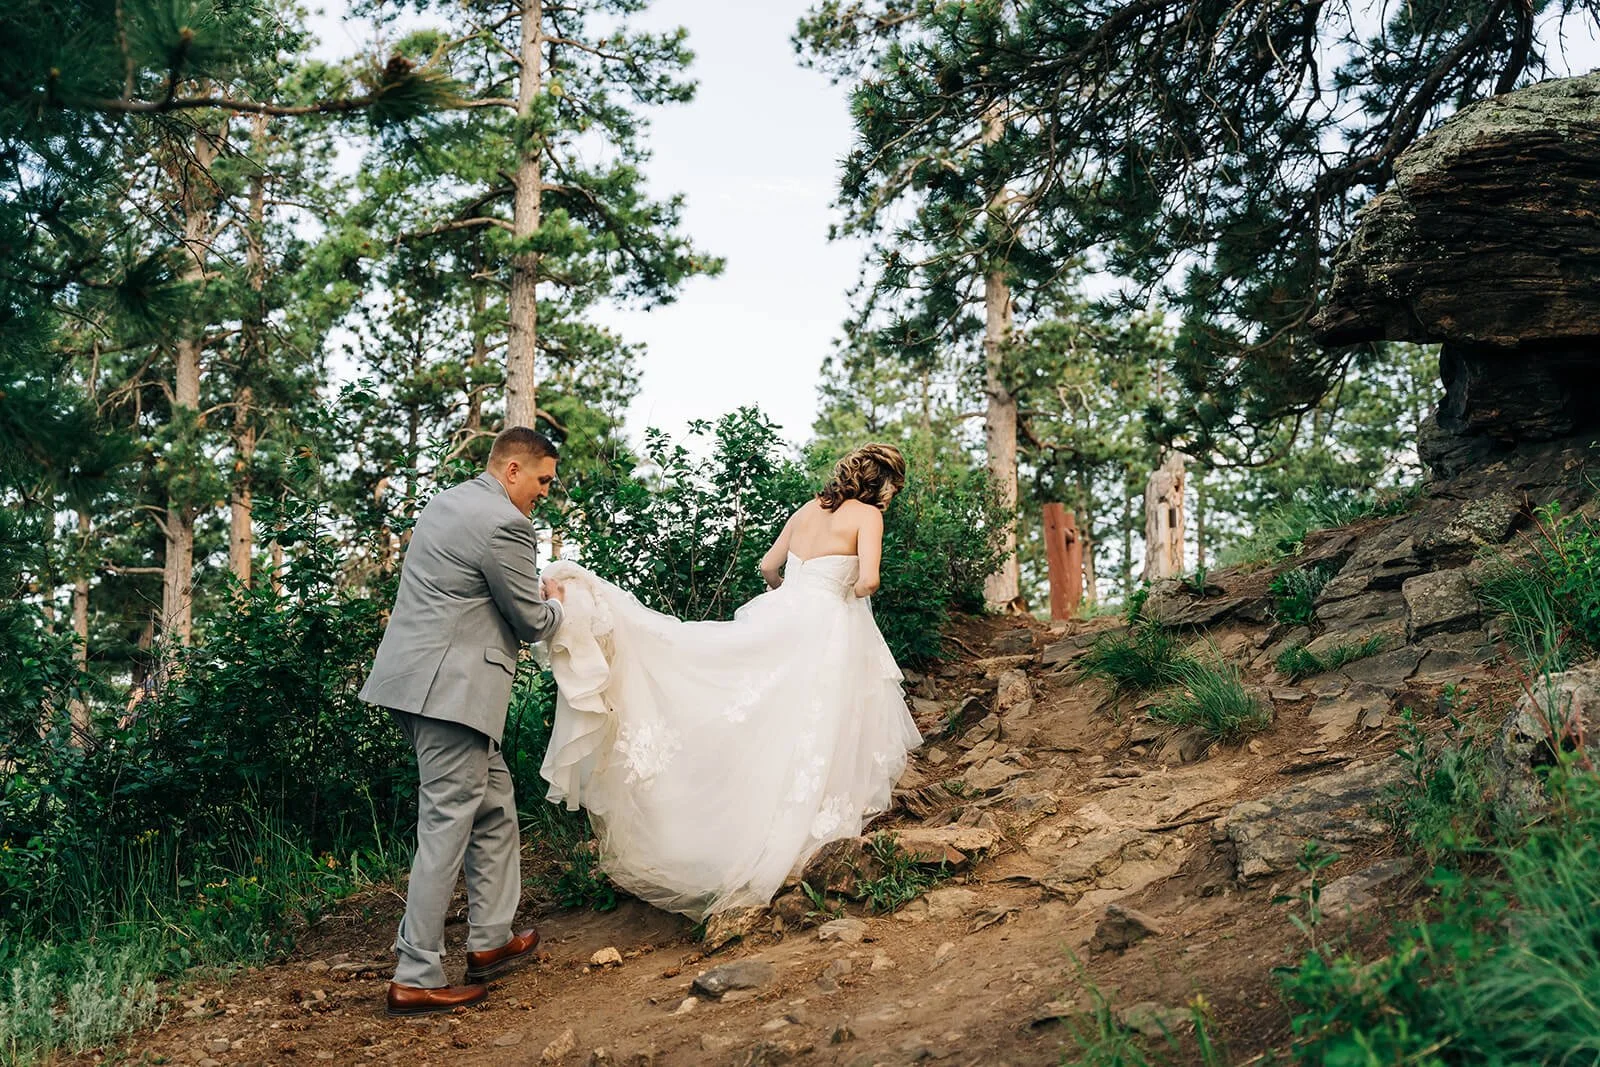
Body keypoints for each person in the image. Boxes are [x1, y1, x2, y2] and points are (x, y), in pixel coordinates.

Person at [538, 443, 921, 920]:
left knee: (760, 713)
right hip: (827, 625)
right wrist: (841, 589)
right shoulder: (868, 516)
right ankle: (798, 835)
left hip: (785, 613)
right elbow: (867, 582)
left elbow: (766, 567)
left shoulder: (807, 510)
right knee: (814, 724)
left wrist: (795, 595)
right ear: (883, 483)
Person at [360, 427, 567, 1017]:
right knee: (447, 822)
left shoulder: (447, 502)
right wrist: (557, 604)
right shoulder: (506, 523)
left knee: (494, 803)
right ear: (512, 471)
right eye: (542, 480)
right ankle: (416, 972)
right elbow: (528, 619)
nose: (544, 493)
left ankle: (490, 939)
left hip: (421, 685)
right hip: (450, 692)